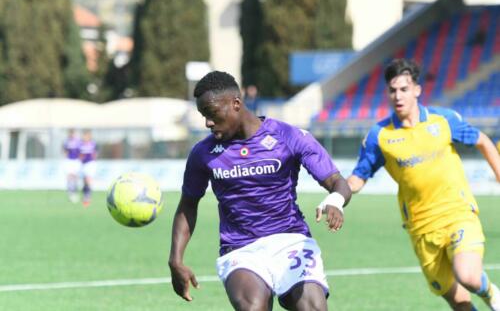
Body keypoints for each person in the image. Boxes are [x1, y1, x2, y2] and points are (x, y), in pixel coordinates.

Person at [168, 71, 352, 310]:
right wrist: (176, 259)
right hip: (241, 248)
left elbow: (338, 182)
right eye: (203, 116)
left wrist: (335, 200)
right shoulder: (202, 153)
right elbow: (188, 205)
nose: (208, 123)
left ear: (236, 104)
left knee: (313, 307)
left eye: (211, 114)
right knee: (253, 307)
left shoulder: (288, 136)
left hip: (291, 240)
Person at [347, 58, 500, 311]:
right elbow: (358, 177)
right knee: (460, 303)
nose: (398, 96)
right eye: (392, 90)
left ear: (417, 90)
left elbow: (483, 140)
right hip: (421, 228)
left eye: (404, 89)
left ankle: (492, 293)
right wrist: (336, 193)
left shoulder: (443, 120)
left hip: (457, 213)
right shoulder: (380, 135)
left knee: (469, 276)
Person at [79, 129, 98, 207]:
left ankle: (87, 197)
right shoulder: (81, 144)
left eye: (86, 135)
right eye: (84, 135)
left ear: (89, 136)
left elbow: (95, 154)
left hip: (90, 164)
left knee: (88, 179)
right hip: (83, 164)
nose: (84, 137)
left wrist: (93, 157)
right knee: (84, 181)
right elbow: (79, 154)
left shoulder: (93, 144)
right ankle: (85, 195)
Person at [63, 129, 82, 203]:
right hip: (69, 161)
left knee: (75, 177)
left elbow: (80, 151)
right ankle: (70, 192)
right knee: (69, 177)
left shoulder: (78, 142)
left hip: (76, 161)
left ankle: (74, 192)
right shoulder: (66, 141)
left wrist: (79, 159)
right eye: (70, 133)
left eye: (73, 133)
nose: (71, 135)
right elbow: (65, 151)